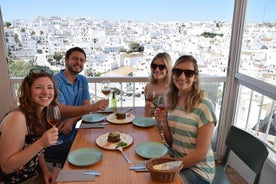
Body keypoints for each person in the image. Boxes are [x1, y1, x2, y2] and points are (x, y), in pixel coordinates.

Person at [154, 55, 217, 184]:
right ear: (173, 74)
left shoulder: (204, 106)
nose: (182, 77)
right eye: (178, 72)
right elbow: (172, 143)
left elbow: (201, 154)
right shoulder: (172, 101)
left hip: (199, 170)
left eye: (188, 73)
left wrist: (172, 167)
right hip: (178, 162)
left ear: (194, 77)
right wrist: (164, 122)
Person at [44, 47, 108, 163]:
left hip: (72, 134)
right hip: (55, 140)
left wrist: (72, 120)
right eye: (75, 59)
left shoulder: (82, 80)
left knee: (103, 139)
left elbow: (86, 108)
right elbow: (60, 110)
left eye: (82, 60)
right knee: (96, 149)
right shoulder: (55, 81)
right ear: (66, 60)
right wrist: (94, 107)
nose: (78, 62)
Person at [0, 69, 60, 183]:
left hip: (34, 173)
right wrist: (41, 143)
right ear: (29, 92)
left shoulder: (42, 113)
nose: (46, 92)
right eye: (39, 87)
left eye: (50, 87)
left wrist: (45, 171)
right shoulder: (17, 118)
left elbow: (37, 151)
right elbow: (6, 167)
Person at [144, 52, 172, 117]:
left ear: (168, 69)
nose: (157, 69)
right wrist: (149, 111)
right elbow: (148, 116)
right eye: (154, 66)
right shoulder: (148, 87)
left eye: (161, 67)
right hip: (152, 125)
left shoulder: (173, 89)